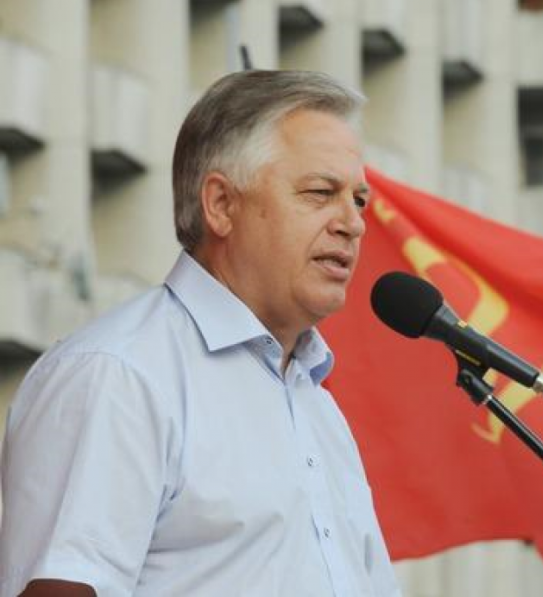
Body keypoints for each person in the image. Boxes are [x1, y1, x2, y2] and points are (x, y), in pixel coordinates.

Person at [0, 70, 402, 597]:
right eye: (320, 192)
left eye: (359, 200)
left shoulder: (316, 401)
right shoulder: (117, 375)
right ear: (221, 205)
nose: (353, 222)